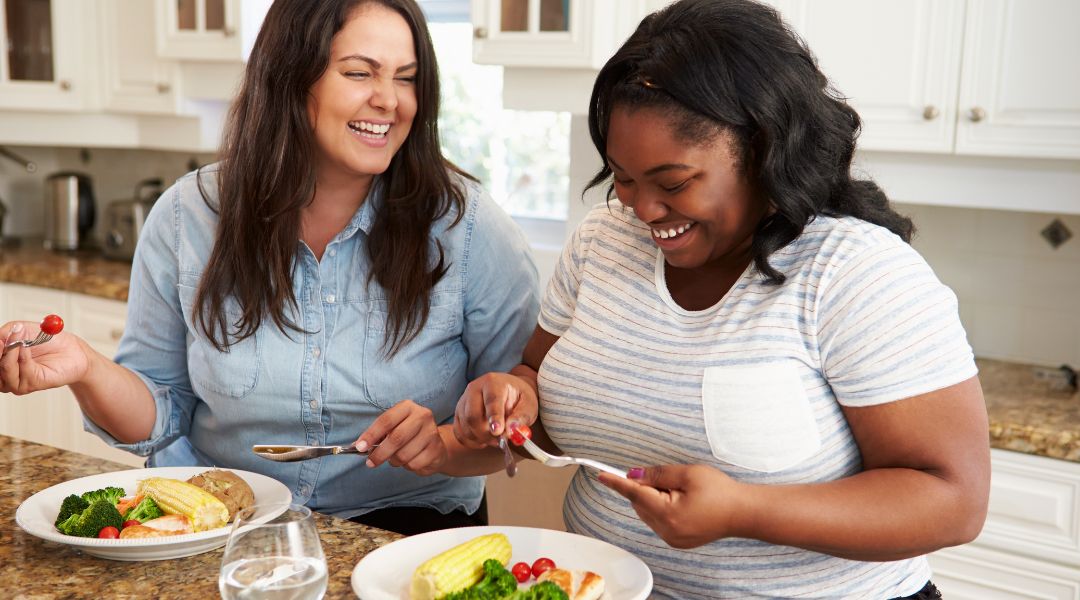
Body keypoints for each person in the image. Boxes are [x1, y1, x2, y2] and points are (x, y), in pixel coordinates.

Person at [447, 0, 990, 597]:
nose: (643, 210)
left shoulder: (855, 273)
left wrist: (743, 511)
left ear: (762, 148)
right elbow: (544, 395)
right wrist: (511, 400)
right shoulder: (602, 243)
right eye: (623, 177)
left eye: (673, 183)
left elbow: (952, 500)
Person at [0, 0, 539, 535]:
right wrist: (87, 368)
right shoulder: (188, 215)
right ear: (290, 77)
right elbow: (160, 414)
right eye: (358, 73)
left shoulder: (467, 228)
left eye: (407, 78)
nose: (389, 100)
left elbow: (514, 432)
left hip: (403, 531)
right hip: (219, 523)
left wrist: (442, 446)